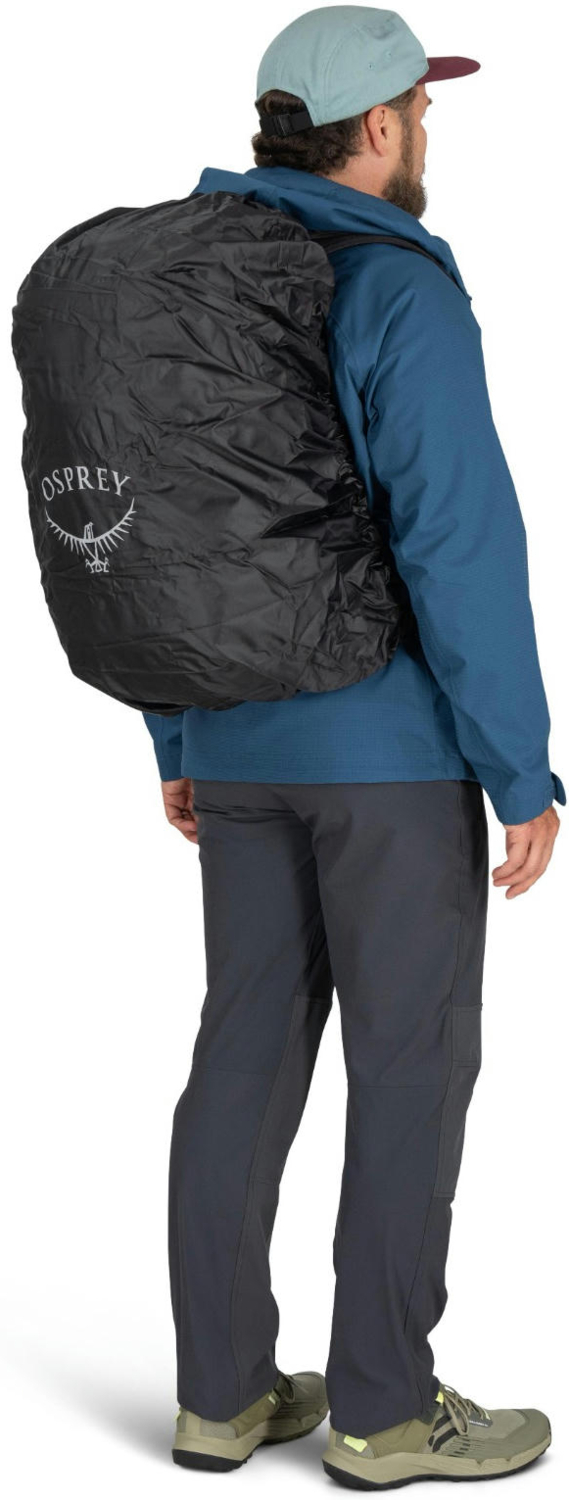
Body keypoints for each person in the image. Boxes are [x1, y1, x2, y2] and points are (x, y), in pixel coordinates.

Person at [144, 7, 563, 1487]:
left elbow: (161, 537)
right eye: (420, 111)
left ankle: (220, 1396)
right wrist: (518, 765)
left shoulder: (193, 288)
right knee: (407, 1067)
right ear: (377, 127)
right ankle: (384, 1409)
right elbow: (458, 542)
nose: (426, 132)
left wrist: (178, 732)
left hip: (233, 742)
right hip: (388, 759)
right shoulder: (395, 288)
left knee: (242, 1054)